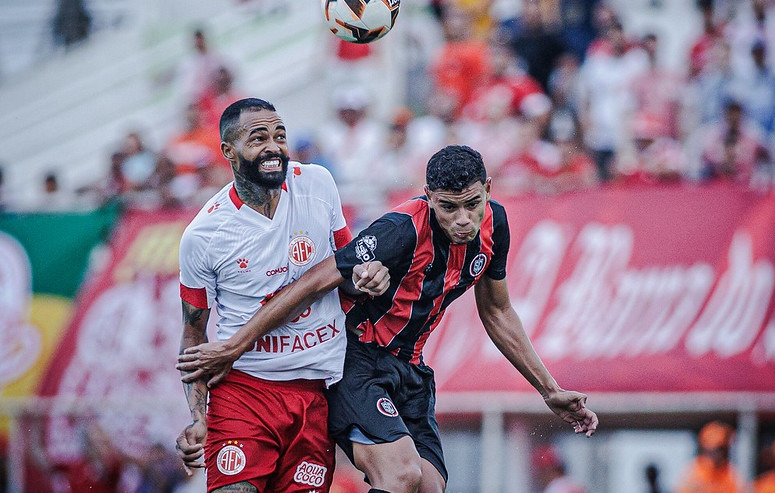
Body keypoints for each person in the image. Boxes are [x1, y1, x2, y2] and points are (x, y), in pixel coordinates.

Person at [177, 144, 599, 493]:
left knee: (429, 487)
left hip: (411, 371)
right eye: (449, 208)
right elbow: (311, 282)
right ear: (429, 197)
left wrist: (549, 390)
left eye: (472, 204)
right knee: (401, 476)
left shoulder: (496, 224)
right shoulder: (399, 231)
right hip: (357, 362)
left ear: (487, 190)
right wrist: (236, 344)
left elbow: (497, 310)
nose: (463, 219)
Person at [174, 97, 390, 493]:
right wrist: (197, 417)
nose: (273, 147)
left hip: (313, 392)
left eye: (280, 135)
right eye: (258, 138)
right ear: (229, 152)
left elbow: (345, 271)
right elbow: (194, 334)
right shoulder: (203, 236)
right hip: (244, 392)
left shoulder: (318, 184)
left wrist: (366, 278)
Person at [676, 420, 747, 493]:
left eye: (722, 448)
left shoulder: (732, 473)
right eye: (714, 449)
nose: (718, 453)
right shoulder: (692, 472)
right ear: (704, 447)